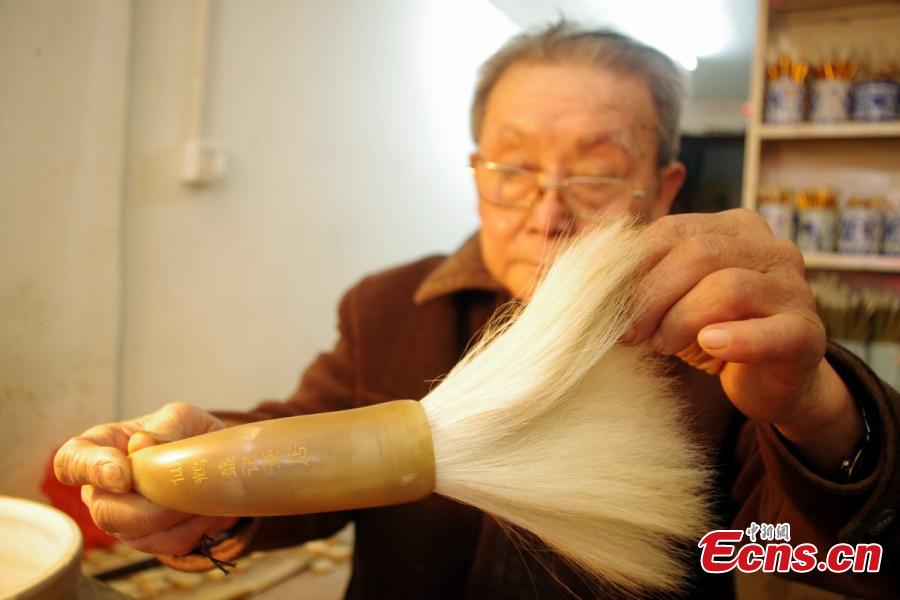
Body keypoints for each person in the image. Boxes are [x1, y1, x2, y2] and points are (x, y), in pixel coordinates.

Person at [55, 23, 899, 599]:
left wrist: (818, 410)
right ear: (476, 172)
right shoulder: (387, 306)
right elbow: (300, 446)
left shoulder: (723, 357)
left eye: (598, 172)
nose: (547, 210)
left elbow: (840, 557)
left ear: (665, 188)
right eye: (515, 168)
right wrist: (196, 481)